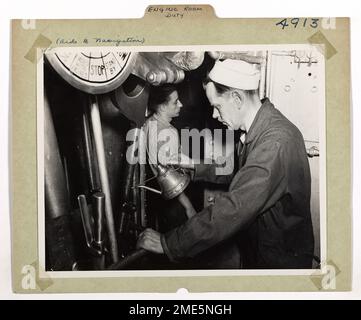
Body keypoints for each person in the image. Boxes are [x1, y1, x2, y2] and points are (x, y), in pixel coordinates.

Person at [137, 59, 315, 269]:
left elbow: (234, 208)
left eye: (217, 106)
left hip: (278, 260)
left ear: (237, 99)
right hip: (263, 246)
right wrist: (192, 164)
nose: (214, 115)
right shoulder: (260, 129)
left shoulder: (274, 143)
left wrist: (169, 243)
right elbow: (238, 171)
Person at [143, 84, 196, 220]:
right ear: (162, 106)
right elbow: (169, 179)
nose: (181, 104)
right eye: (175, 102)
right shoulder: (168, 133)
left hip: (157, 198)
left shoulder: (148, 123)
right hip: (175, 201)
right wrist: (188, 207)